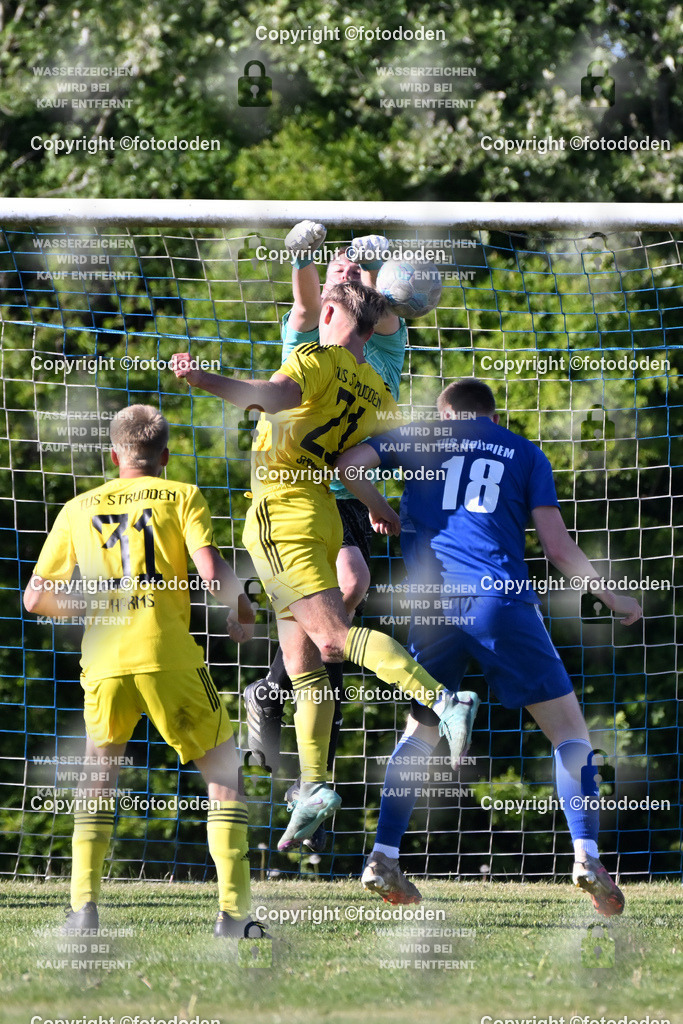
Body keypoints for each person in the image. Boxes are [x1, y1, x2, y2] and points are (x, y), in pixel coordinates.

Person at [171, 283, 478, 853]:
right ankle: (314, 786)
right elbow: (352, 464)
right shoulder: (377, 393)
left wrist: (203, 378)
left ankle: (443, 699)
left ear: (332, 314)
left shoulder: (314, 357)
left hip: (282, 512)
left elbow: (270, 395)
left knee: (335, 639)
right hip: (322, 514)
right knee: (306, 662)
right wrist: (382, 510)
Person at [336, 378, 642, 917]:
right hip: (498, 599)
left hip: (431, 605)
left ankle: (383, 855)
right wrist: (610, 595)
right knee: (570, 731)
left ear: (443, 412)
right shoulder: (525, 453)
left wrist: (380, 508)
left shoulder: (421, 436)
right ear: (492, 417)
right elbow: (557, 547)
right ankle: (586, 856)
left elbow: (349, 466)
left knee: (420, 732)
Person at [23, 405, 261, 939]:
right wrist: (241, 612)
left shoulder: (79, 506)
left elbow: (35, 597)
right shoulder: (181, 495)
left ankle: (82, 911)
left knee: (98, 778)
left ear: (114, 455)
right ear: (166, 456)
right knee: (224, 777)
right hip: (167, 655)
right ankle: (233, 916)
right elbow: (211, 571)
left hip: (104, 662)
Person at [244, 222, 407, 816]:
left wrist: (370, 268)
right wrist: (307, 256)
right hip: (298, 487)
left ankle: (274, 700)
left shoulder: (383, 336)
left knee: (327, 637)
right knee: (344, 603)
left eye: (353, 267)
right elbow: (308, 299)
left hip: (349, 489)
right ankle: (282, 708)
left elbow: (380, 313)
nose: (345, 271)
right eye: (337, 264)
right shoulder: (312, 327)